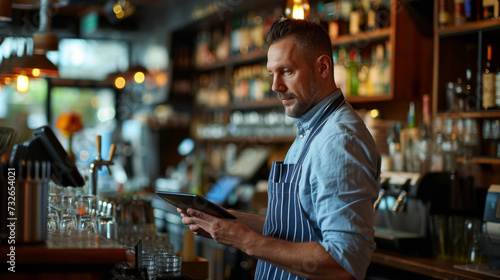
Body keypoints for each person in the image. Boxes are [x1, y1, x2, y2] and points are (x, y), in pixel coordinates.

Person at [178, 15, 381, 280]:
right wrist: (226, 221)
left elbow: (344, 262)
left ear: (322, 68)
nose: (276, 86)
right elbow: (293, 229)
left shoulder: (340, 140)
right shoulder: (309, 130)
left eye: (287, 71)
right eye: (272, 74)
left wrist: (246, 242)